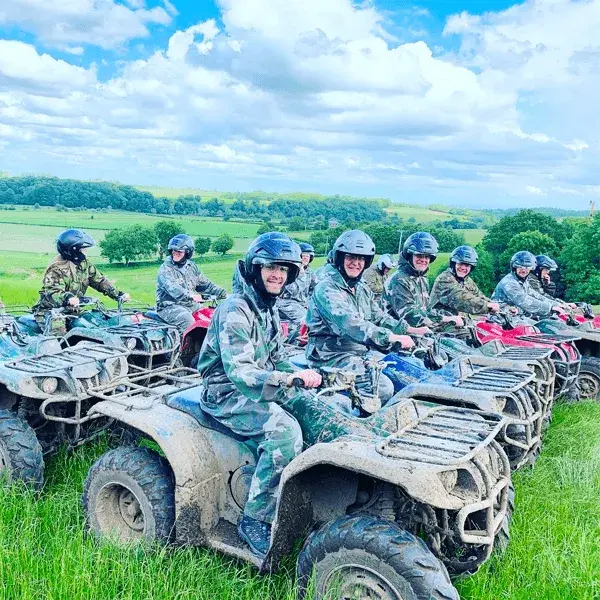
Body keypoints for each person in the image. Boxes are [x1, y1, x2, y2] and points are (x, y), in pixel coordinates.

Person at [197, 232, 322, 559]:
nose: (278, 274)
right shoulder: (235, 309)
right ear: (255, 269)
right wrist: (288, 377)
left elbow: (278, 357)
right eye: (270, 267)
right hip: (225, 392)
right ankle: (254, 518)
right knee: (285, 432)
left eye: (284, 269)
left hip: (260, 382)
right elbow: (242, 373)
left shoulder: (268, 308)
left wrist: (299, 380)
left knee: (314, 408)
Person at [306, 230, 427, 406]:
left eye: (361, 259)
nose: (356, 263)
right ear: (340, 258)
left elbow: (378, 316)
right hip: (331, 354)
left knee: (410, 368)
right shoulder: (327, 288)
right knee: (382, 387)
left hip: (360, 351)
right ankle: (358, 418)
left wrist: (409, 329)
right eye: (350, 257)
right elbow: (349, 324)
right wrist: (389, 337)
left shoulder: (360, 287)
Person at [33, 229, 129, 335]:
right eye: (83, 249)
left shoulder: (84, 264)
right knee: (59, 335)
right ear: (73, 250)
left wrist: (119, 294)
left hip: (73, 310)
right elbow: (52, 291)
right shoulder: (56, 267)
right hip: (51, 311)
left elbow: (100, 281)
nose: (85, 251)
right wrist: (68, 298)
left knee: (96, 323)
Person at [382, 232, 464, 329]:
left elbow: (426, 310)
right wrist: (445, 319)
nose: (423, 260)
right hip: (396, 335)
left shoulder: (422, 279)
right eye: (419, 255)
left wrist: (451, 316)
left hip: (419, 332)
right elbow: (410, 316)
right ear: (410, 255)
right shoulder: (398, 280)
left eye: (427, 256)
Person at [156, 234, 227, 332]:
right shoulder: (165, 269)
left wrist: (223, 294)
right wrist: (192, 296)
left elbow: (205, 285)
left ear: (187, 252)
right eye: (173, 250)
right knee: (187, 321)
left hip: (191, 305)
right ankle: (185, 346)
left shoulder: (192, 267)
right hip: (169, 307)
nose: (175, 253)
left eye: (179, 251)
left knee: (211, 315)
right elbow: (174, 289)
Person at [492, 251, 566, 319]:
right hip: (500, 316)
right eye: (520, 267)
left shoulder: (522, 280)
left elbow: (535, 295)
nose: (524, 270)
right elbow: (525, 301)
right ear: (514, 267)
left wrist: (556, 304)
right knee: (538, 329)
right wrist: (550, 308)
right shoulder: (510, 283)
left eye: (527, 267)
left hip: (514, 314)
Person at [429, 245, 500, 315]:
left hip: (460, 323)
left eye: (467, 265)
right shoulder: (444, 279)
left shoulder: (467, 280)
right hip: (439, 322)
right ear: (454, 264)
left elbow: (479, 296)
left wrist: (494, 305)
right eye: (460, 264)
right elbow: (461, 299)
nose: (463, 268)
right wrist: (486, 305)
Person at [277, 242, 317, 341]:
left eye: (308, 256)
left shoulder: (309, 272)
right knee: (305, 319)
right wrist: (300, 274)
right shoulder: (291, 272)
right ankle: (295, 342)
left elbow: (316, 288)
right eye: (303, 256)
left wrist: (311, 302)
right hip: (286, 302)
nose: (305, 258)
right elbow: (292, 291)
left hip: (301, 304)